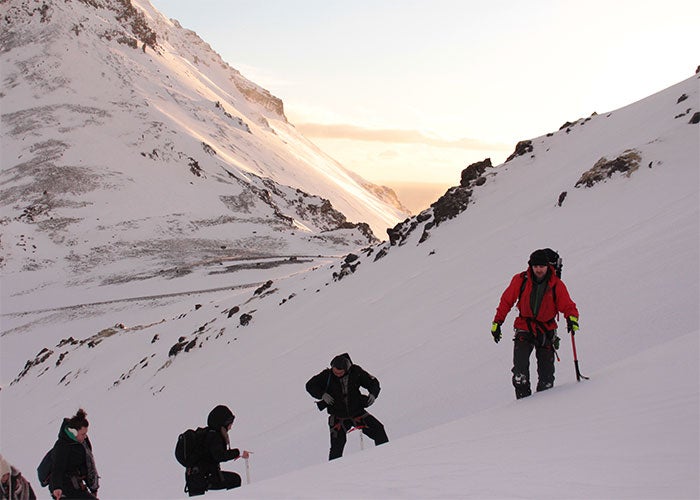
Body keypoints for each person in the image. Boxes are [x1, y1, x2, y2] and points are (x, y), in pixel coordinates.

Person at [491, 249, 580, 399]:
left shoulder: (556, 284)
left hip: (546, 330)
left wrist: (572, 319)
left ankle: (543, 407)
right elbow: (507, 300)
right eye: (535, 266)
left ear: (548, 266)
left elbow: (567, 305)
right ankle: (523, 403)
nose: (538, 269)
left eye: (542, 266)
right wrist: (497, 322)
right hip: (524, 327)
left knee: (546, 378)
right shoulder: (521, 280)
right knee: (520, 373)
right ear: (530, 266)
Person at [306, 353, 389, 460]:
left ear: (347, 369)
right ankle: (334, 473)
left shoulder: (356, 371)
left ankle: (385, 458)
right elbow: (309, 385)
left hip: (357, 412)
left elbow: (373, 382)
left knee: (379, 430)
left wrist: (373, 394)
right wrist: (322, 394)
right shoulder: (327, 374)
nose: (337, 374)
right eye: (335, 371)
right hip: (337, 417)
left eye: (340, 372)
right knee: (336, 448)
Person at [185, 405, 250, 496]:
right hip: (205, 476)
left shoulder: (206, 433)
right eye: (230, 424)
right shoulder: (214, 436)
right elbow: (219, 456)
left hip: (193, 477)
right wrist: (237, 452)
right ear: (223, 423)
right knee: (235, 480)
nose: (230, 427)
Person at [49, 409, 99, 499]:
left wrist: (93, 488)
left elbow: (87, 466)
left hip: (76, 486)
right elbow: (57, 469)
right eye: (83, 434)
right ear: (74, 432)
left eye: (86, 434)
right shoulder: (62, 446)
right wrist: (57, 488)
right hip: (63, 489)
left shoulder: (83, 444)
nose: (85, 437)